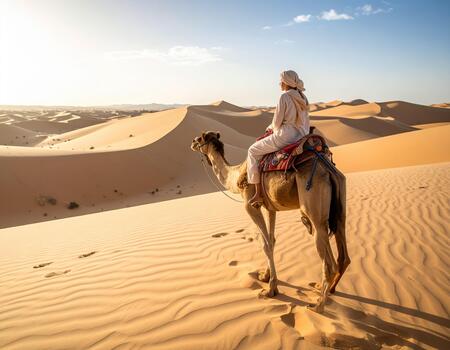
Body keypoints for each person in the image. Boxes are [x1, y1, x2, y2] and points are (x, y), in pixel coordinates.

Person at [247, 70, 310, 208]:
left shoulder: (284, 97)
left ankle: (257, 193)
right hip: (302, 135)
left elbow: (276, 123)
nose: (279, 83)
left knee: (252, 151)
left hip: (285, 136)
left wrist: (270, 129)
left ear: (285, 82)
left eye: (280, 81)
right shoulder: (303, 97)